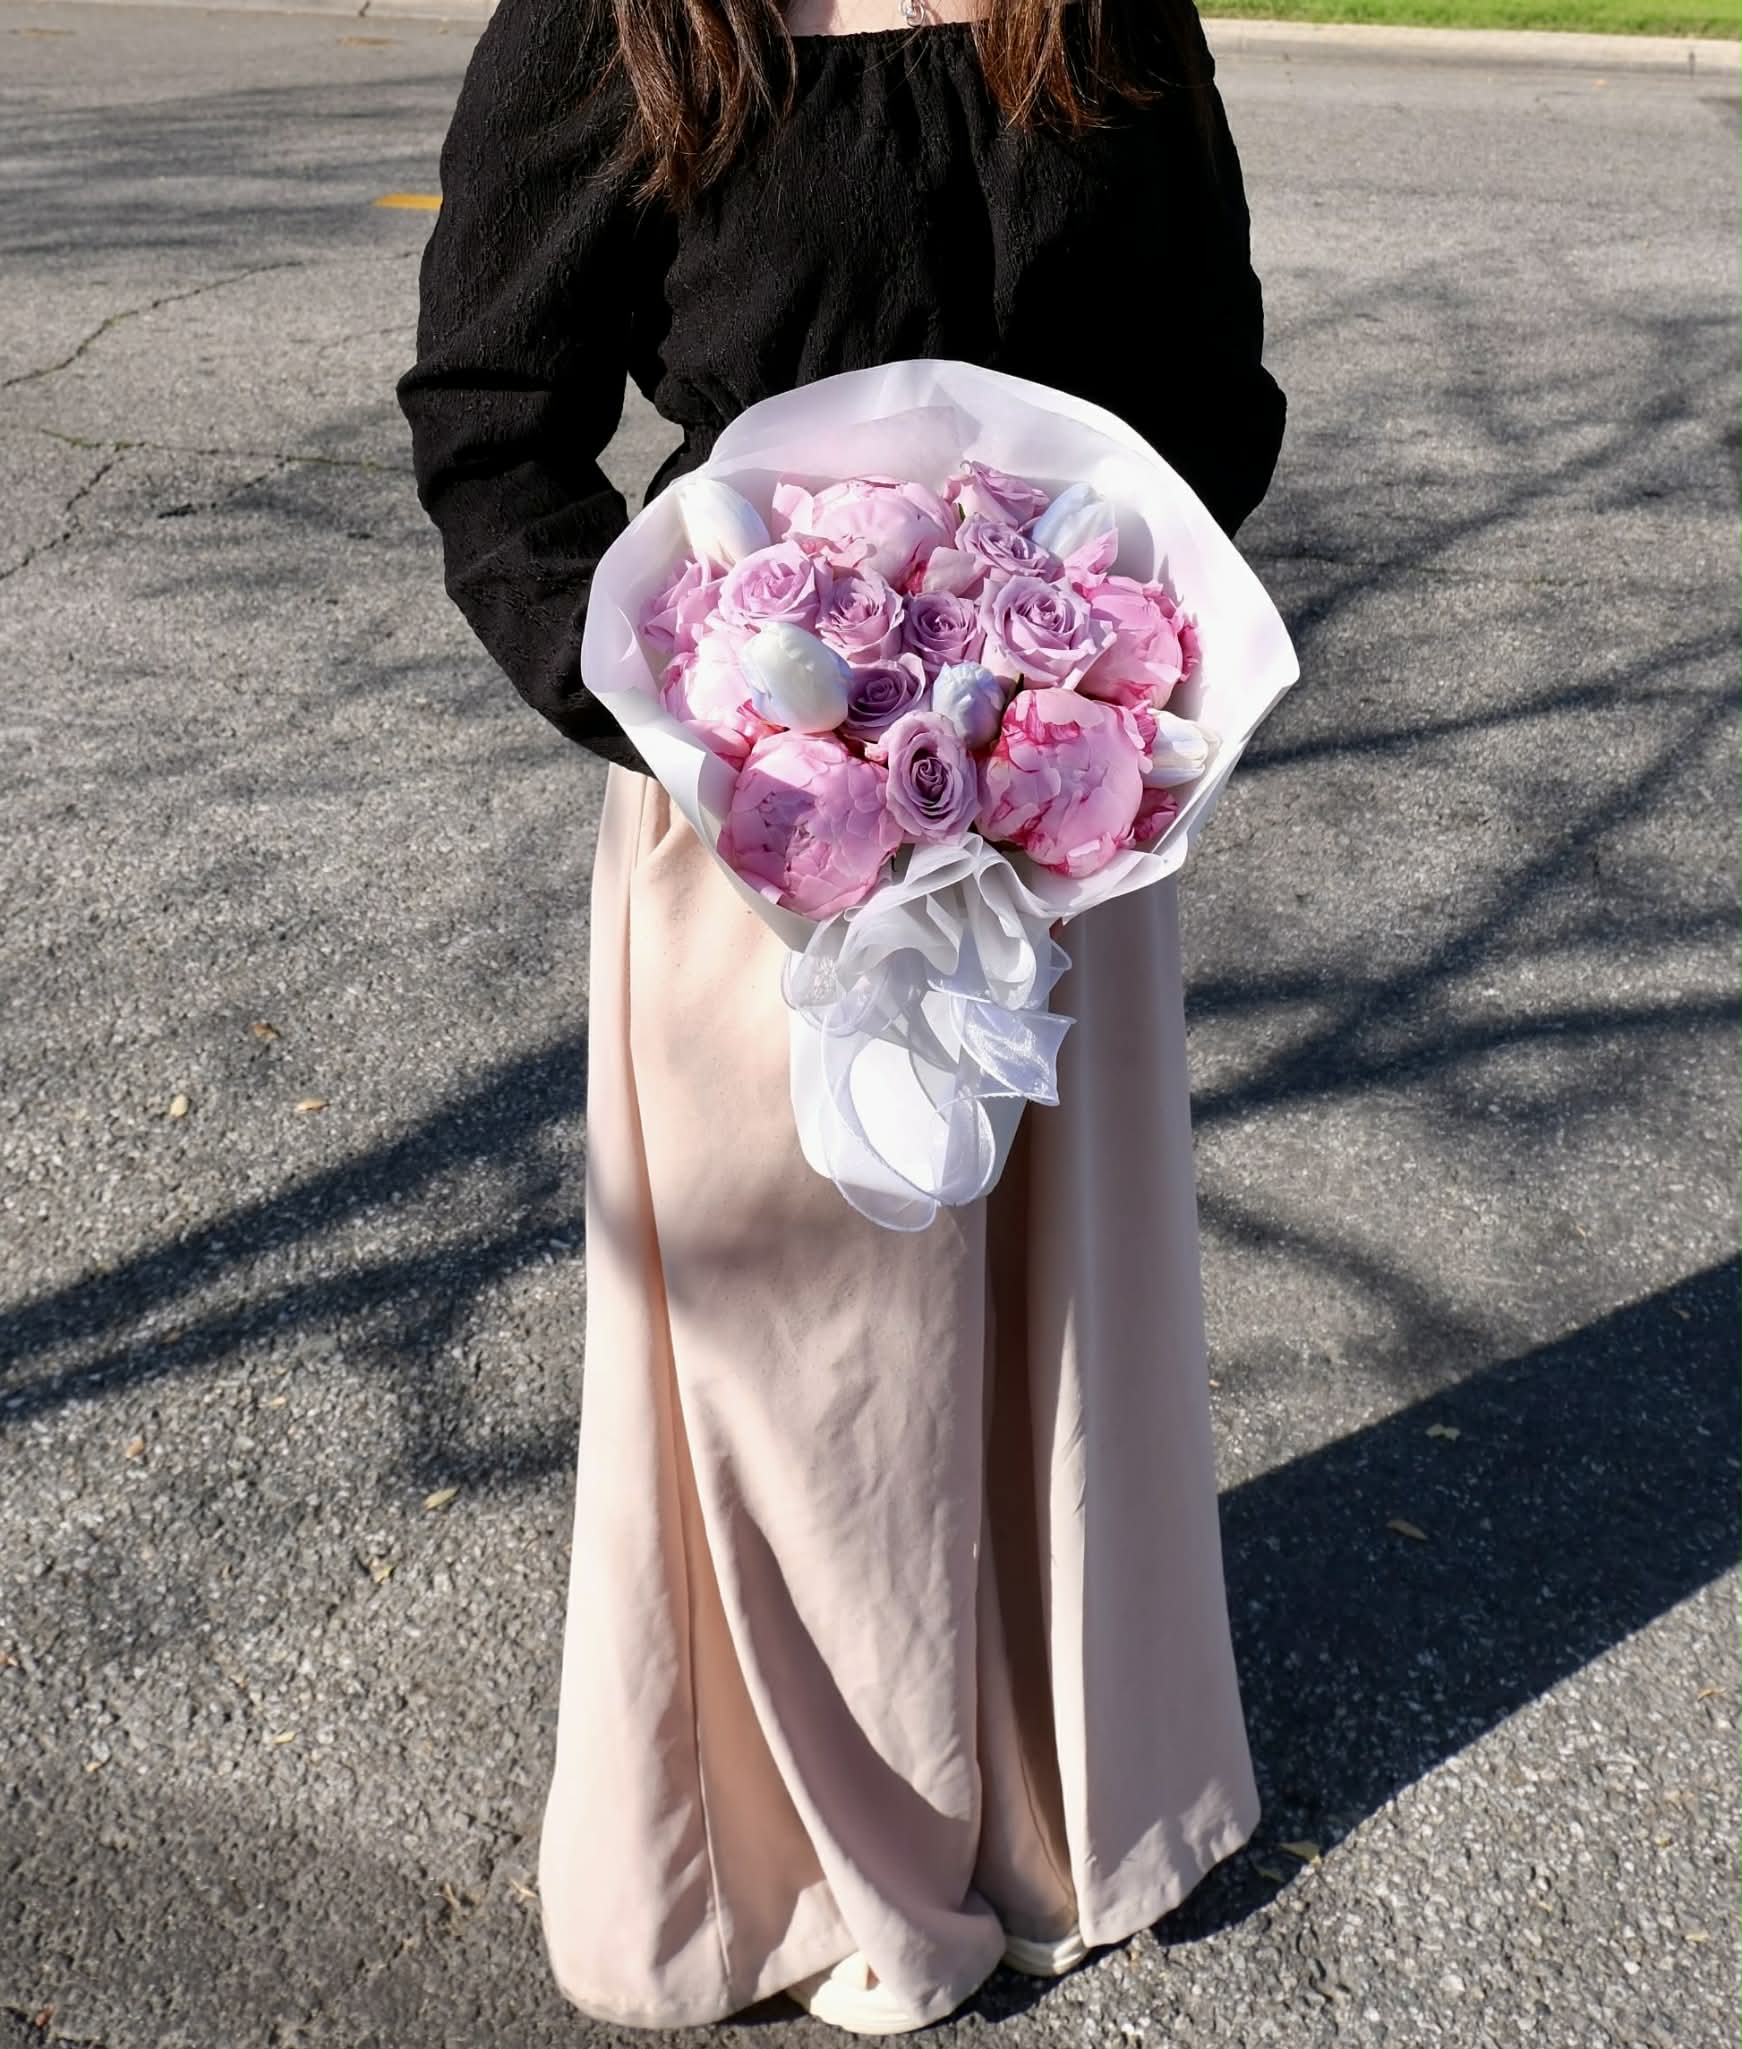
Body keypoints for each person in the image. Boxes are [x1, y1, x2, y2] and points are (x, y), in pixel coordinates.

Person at [398, 0, 1286, 2032]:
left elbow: (1206, 377)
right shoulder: (621, 22)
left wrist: (1116, 670)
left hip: (1062, 820)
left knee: (1061, 1326)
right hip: (763, 838)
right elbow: (492, 419)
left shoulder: (1100, 9)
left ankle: (1057, 1805)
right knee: (807, 1367)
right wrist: (690, 716)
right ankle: (818, 1866)